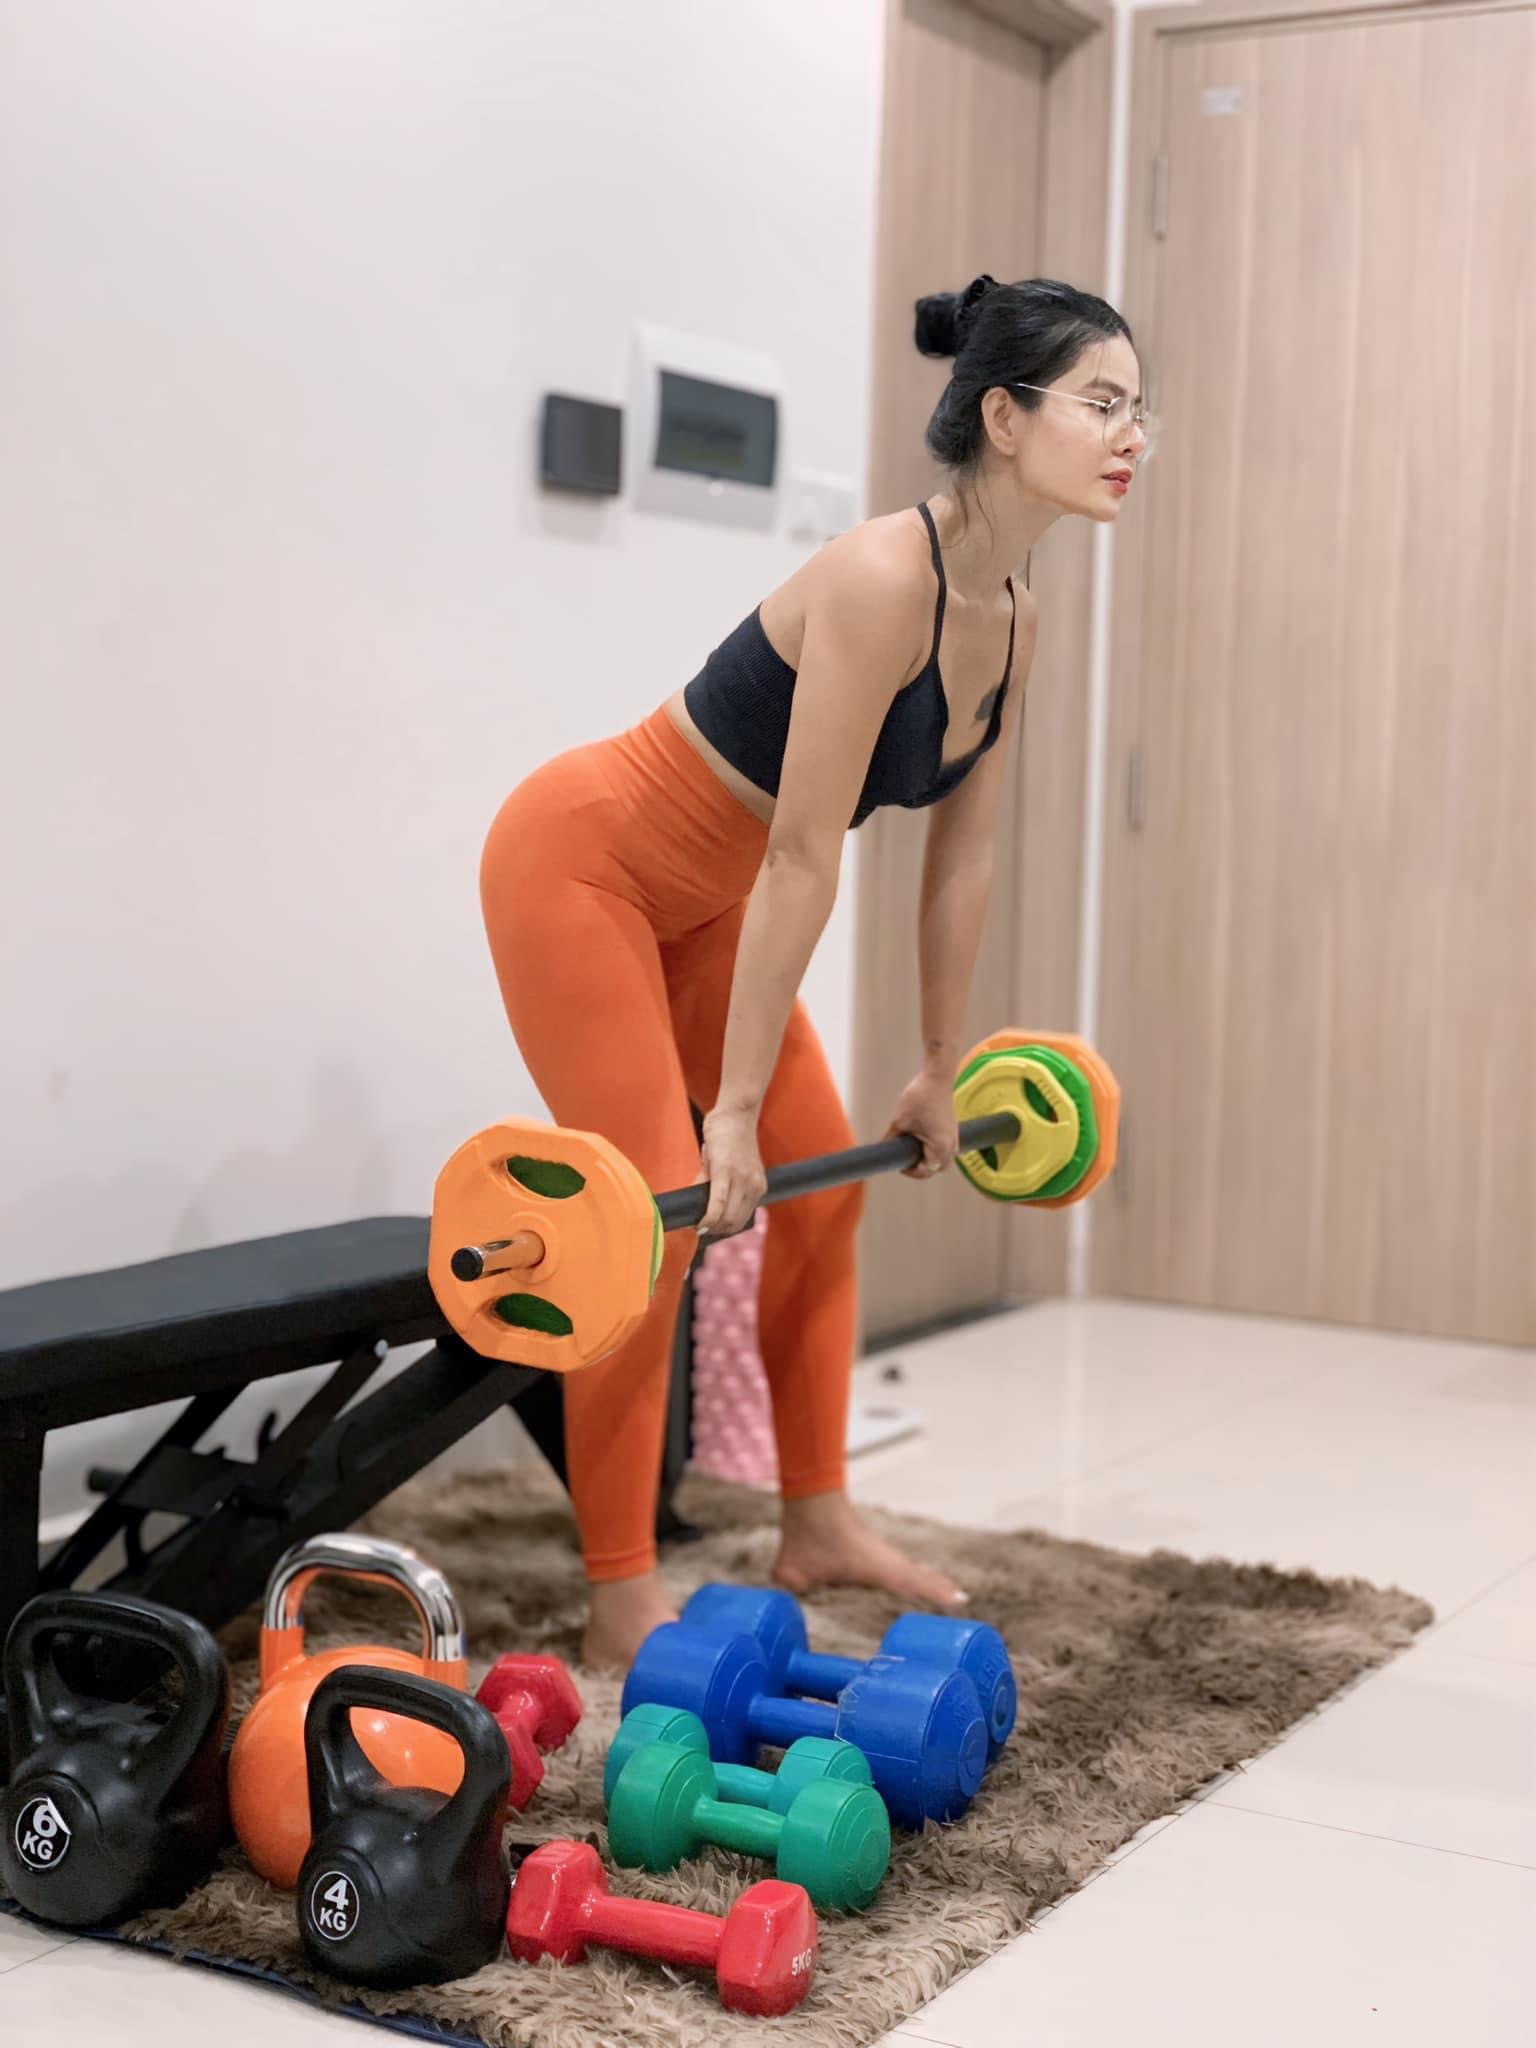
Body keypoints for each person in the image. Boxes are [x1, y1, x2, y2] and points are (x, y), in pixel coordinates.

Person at [480, 275, 1153, 1668]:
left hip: (708, 912)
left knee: (824, 1198)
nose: (1130, 434)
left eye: (1139, 409)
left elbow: (961, 857)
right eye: (1102, 403)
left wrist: (938, 1070)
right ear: (1005, 417)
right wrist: (723, 1114)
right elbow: (802, 852)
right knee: (657, 1216)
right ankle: (618, 1591)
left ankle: (817, 1520)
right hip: (583, 871)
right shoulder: (879, 577)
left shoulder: (1015, 614)